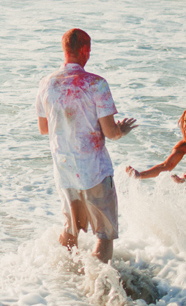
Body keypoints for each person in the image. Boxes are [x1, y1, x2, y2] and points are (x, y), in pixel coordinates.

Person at [36, 28, 137, 263]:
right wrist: (121, 130)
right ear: (84, 50)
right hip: (94, 171)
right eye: (89, 50)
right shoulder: (96, 84)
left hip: (64, 170)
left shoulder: (46, 84)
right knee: (104, 235)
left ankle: (65, 277)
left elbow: (44, 129)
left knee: (71, 229)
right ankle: (97, 287)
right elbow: (111, 133)